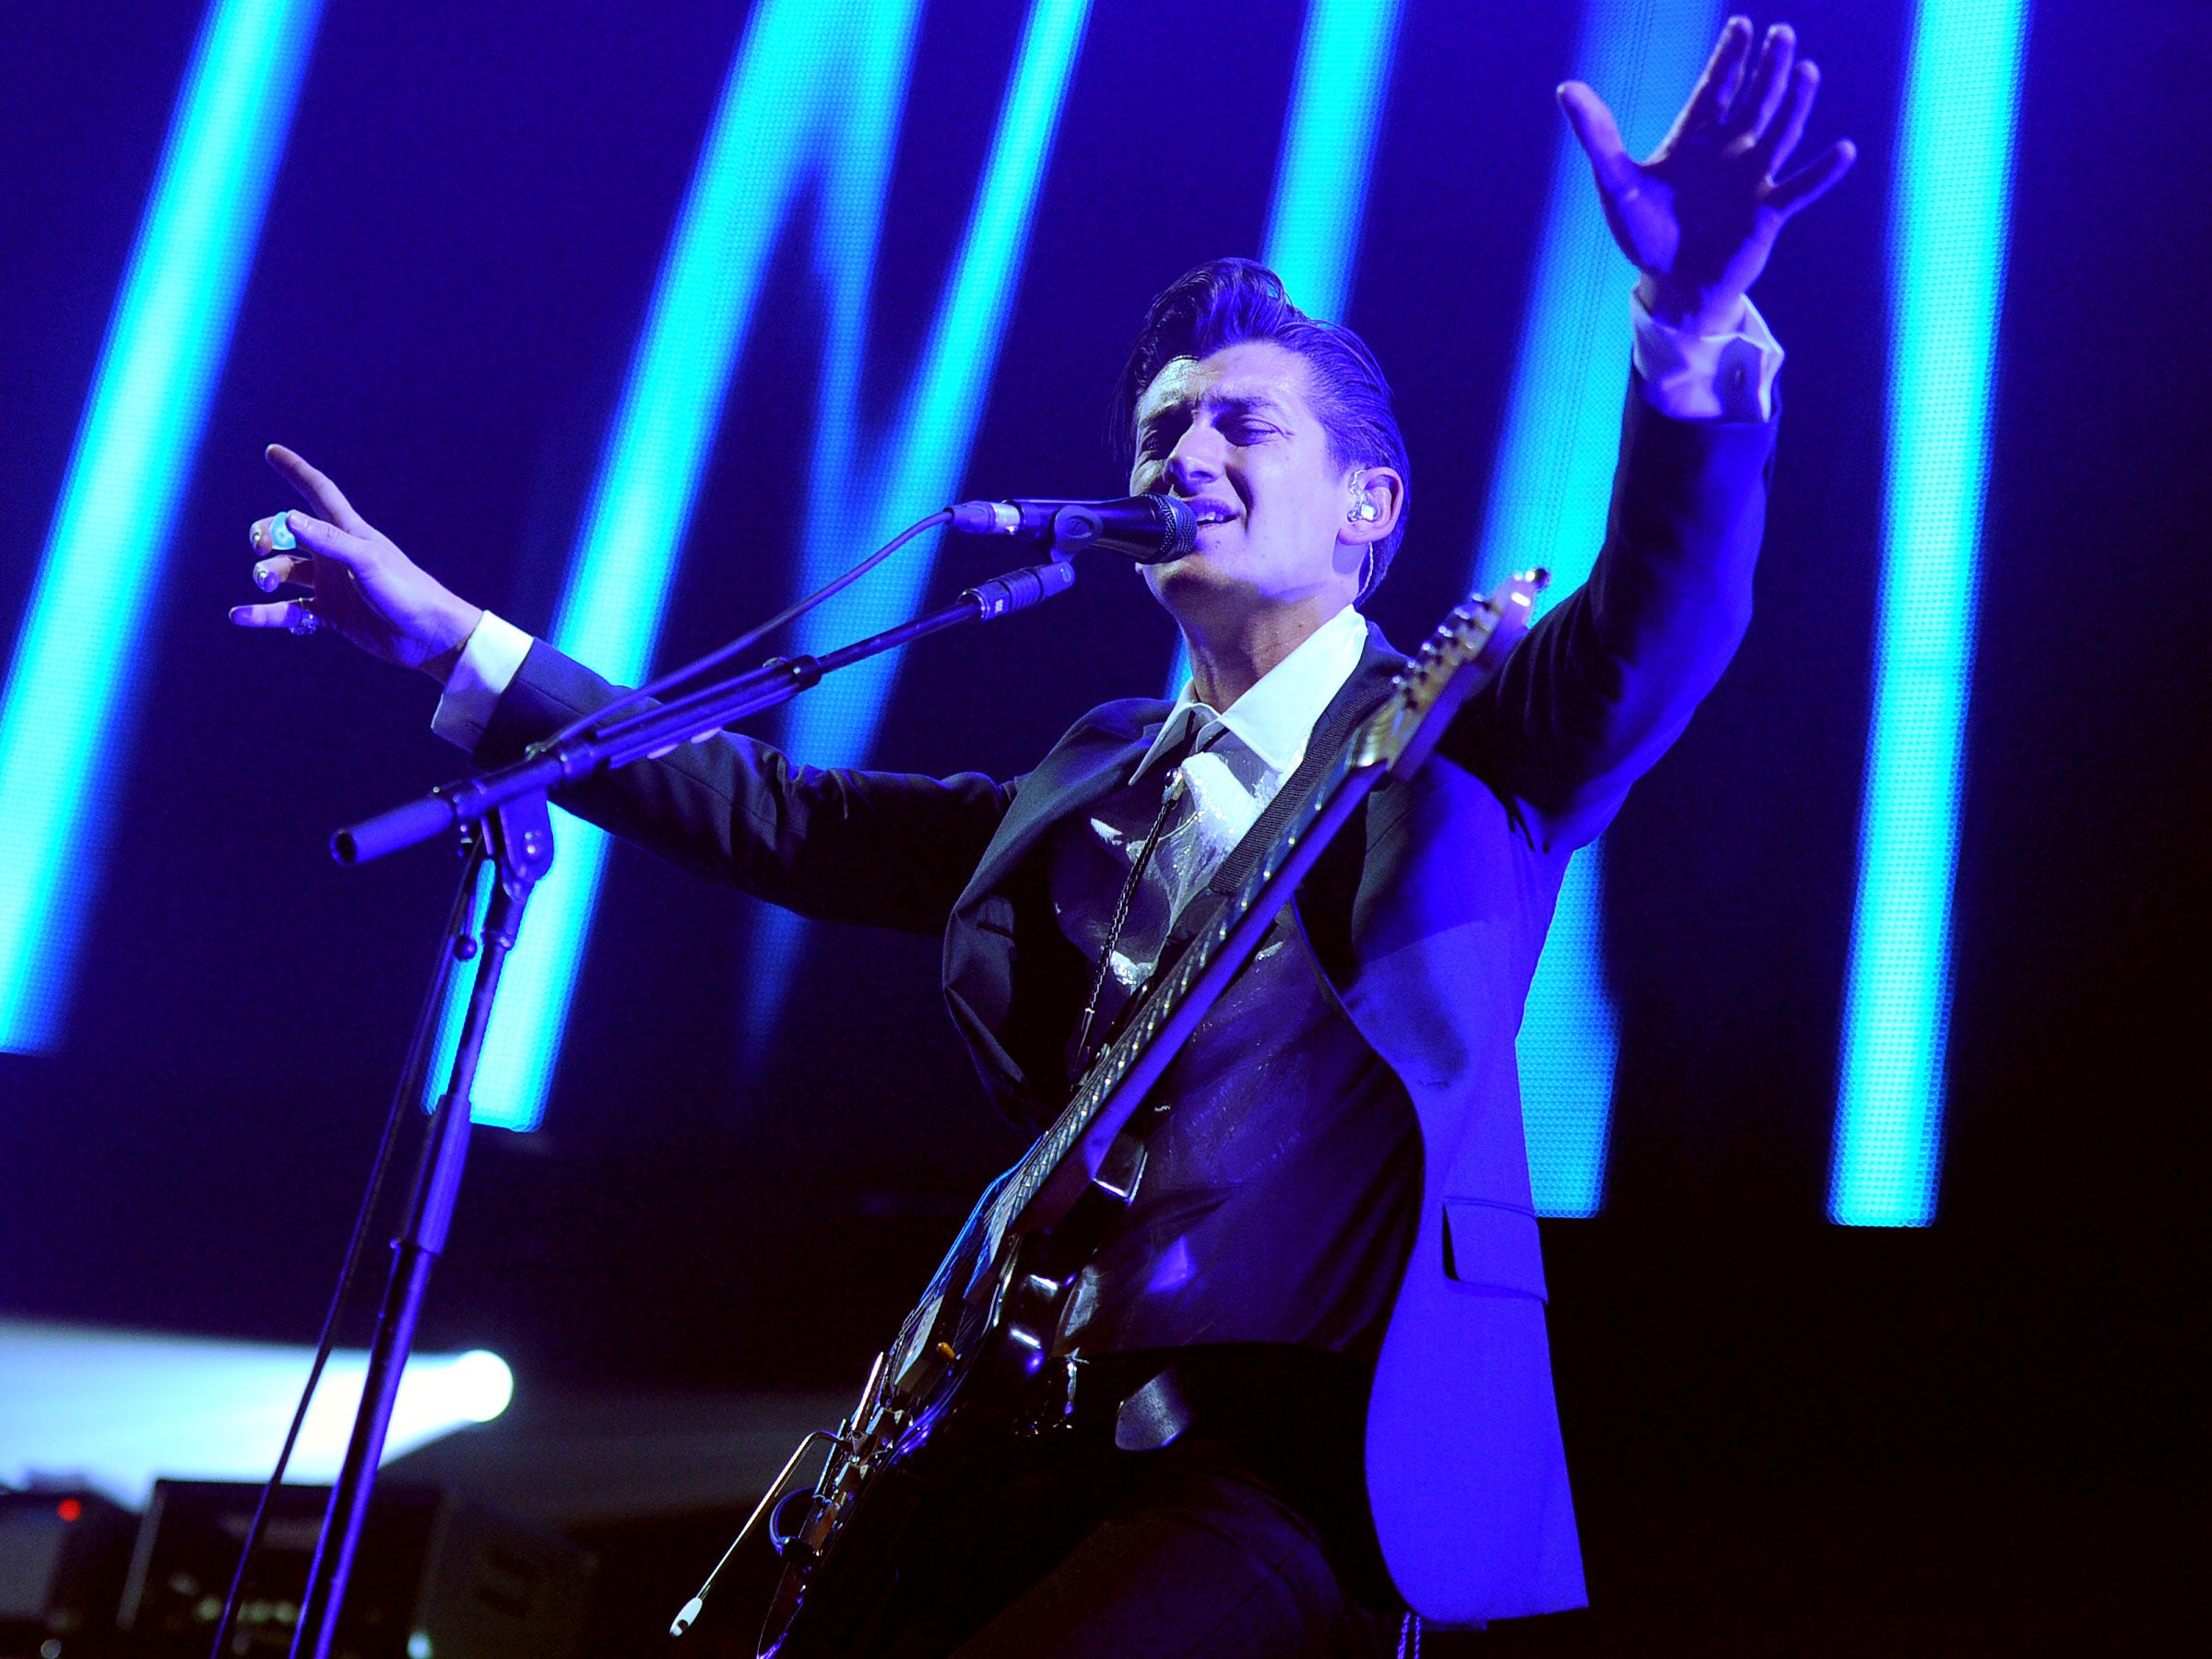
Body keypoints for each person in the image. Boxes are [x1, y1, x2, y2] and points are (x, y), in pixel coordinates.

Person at [233, 18, 1851, 1654]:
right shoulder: (1090, 781)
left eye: (1242, 426)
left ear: (1373, 508)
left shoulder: (1465, 747)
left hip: (1294, 1468)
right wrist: (454, 641)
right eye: (1161, 432)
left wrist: (1691, 326)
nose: (1184, 455)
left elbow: (1661, 617)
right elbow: (776, 816)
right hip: (1026, 1434)